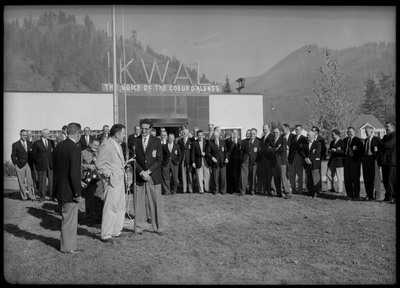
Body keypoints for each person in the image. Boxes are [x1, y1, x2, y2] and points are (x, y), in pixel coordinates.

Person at [53, 122, 83, 254]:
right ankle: (68, 247)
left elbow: (56, 169)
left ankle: (67, 244)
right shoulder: (75, 148)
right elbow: (74, 173)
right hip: (70, 189)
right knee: (69, 220)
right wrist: (78, 192)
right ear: (78, 133)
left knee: (66, 218)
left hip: (60, 188)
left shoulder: (59, 146)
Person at [131, 118, 163, 236]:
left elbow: (159, 160)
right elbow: (133, 160)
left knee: (155, 203)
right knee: (138, 203)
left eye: (146, 129)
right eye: (142, 128)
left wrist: (148, 172)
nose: (143, 131)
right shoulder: (134, 141)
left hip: (153, 177)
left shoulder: (156, 141)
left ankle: (158, 227)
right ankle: (138, 228)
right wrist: (141, 172)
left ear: (150, 129)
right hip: (139, 177)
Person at [96, 124, 128, 243]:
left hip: (119, 181)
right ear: (117, 134)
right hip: (111, 182)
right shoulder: (106, 144)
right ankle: (106, 234)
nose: (124, 136)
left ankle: (116, 231)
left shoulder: (118, 145)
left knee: (120, 206)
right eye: (123, 133)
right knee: (110, 207)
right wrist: (108, 175)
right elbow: (99, 164)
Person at [11, 129, 36, 201]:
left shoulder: (30, 143)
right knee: (21, 181)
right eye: (23, 135)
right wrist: (15, 163)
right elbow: (13, 155)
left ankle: (32, 196)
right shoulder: (15, 144)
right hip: (20, 165)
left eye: (26, 135)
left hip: (29, 164)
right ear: (20, 135)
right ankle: (24, 196)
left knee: (30, 181)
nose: (25, 136)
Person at [81, 138, 101, 226]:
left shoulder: (99, 153)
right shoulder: (82, 153)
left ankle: (99, 218)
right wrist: (87, 166)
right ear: (90, 144)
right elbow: (78, 165)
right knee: (90, 200)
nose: (96, 147)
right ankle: (89, 219)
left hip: (99, 179)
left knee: (99, 199)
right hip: (89, 179)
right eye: (95, 145)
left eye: (98, 145)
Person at [32, 128, 55, 202]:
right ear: (43, 134)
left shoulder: (51, 142)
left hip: (50, 165)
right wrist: (38, 163)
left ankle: (52, 196)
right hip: (41, 165)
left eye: (49, 133)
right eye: (47, 133)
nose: (49, 135)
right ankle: (42, 197)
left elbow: (53, 153)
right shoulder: (37, 143)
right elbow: (34, 156)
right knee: (42, 181)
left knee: (52, 181)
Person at [343, 126, 364, 200]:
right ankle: (349, 194)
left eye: (350, 132)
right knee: (347, 178)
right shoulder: (345, 140)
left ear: (354, 132)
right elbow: (343, 151)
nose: (349, 133)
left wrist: (357, 159)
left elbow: (361, 152)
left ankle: (356, 195)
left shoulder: (358, 141)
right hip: (346, 161)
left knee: (355, 179)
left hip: (355, 162)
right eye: (348, 132)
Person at [269, 127, 291, 198]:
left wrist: (274, 150)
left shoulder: (283, 139)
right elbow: (268, 150)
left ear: (280, 132)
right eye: (274, 132)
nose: (275, 134)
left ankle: (287, 192)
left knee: (283, 177)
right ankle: (278, 192)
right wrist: (276, 148)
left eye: (277, 132)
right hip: (274, 162)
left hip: (281, 162)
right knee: (276, 178)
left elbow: (283, 149)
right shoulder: (271, 140)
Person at [378, 121, 396, 203]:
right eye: (385, 126)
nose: (386, 128)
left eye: (387, 126)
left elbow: (386, 144)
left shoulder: (394, 135)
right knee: (385, 180)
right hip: (385, 161)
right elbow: (380, 144)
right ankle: (388, 196)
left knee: (390, 180)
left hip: (391, 162)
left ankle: (391, 197)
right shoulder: (386, 136)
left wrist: (383, 144)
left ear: (392, 127)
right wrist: (382, 144)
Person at [362, 126, 381, 201]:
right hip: (366, 159)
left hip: (374, 159)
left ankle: (377, 196)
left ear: (372, 131)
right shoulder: (366, 140)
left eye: (367, 131)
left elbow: (380, 150)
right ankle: (369, 195)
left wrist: (377, 158)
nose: (366, 133)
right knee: (367, 178)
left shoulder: (377, 139)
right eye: (365, 131)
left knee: (376, 178)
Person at [206, 130, 229, 195]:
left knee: (223, 177)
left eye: (216, 135)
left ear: (219, 135)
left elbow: (226, 151)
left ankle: (223, 190)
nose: (215, 137)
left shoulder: (223, 142)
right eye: (214, 136)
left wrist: (226, 158)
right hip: (215, 163)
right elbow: (207, 153)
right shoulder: (210, 143)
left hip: (223, 163)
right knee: (215, 178)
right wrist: (212, 158)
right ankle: (216, 189)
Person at [288, 124, 307, 194]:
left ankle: (299, 189)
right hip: (292, 158)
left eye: (298, 130)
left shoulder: (304, 138)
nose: (296, 131)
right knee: (292, 174)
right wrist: (289, 158)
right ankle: (292, 188)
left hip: (299, 157)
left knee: (300, 174)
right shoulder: (292, 138)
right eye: (296, 130)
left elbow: (304, 149)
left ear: (301, 130)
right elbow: (290, 149)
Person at [240, 128, 260, 195]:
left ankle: (252, 190)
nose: (252, 135)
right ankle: (243, 190)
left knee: (253, 175)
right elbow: (241, 151)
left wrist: (257, 160)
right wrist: (243, 158)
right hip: (245, 160)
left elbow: (260, 152)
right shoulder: (245, 141)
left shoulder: (259, 141)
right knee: (244, 176)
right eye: (251, 133)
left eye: (253, 133)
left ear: (256, 134)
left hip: (254, 161)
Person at [303, 130, 322, 198]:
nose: (308, 137)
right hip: (307, 163)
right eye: (307, 135)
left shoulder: (318, 143)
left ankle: (316, 191)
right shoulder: (305, 144)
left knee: (315, 178)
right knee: (309, 178)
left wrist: (309, 159)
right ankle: (310, 191)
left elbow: (317, 154)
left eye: (309, 135)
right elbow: (303, 152)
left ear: (313, 136)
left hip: (314, 163)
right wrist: (305, 158)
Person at [258, 123, 275, 195]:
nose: (264, 131)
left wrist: (268, 150)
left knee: (269, 175)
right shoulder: (262, 138)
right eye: (263, 129)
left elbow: (273, 147)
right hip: (263, 159)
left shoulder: (271, 136)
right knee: (264, 174)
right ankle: (266, 189)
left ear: (269, 129)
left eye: (266, 129)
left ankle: (271, 190)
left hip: (269, 159)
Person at [311, 126, 327, 193]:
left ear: (317, 132)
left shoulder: (321, 139)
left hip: (318, 158)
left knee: (318, 172)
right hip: (311, 158)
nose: (312, 131)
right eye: (312, 130)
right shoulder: (310, 138)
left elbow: (324, 149)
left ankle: (319, 187)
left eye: (313, 130)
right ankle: (312, 186)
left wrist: (321, 157)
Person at [226, 129, 242, 194]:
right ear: (231, 134)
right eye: (233, 133)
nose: (234, 135)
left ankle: (236, 188)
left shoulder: (241, 141)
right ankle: (230, 189)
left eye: (236, 133)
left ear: (238, 134)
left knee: (237, 175)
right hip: (230, 161)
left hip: (238, 161)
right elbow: (227, 151)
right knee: (230, 175)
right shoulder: (228, 141)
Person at [178, 128, 193, 193]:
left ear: (187, 133)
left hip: (189, 159)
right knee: (183, 174)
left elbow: (192, 151)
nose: (183, 133)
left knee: (189, 174)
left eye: (184, 132)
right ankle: (184, 189)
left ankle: (190, 189)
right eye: (182, 132)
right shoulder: (179, 141)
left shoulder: (191, 141)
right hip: (182, 159)